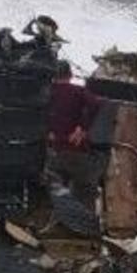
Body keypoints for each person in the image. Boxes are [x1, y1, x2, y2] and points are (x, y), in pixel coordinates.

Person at [47, 60, 103, 211]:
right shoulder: (77, 91)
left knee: (54, 192)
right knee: (84, 191)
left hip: (50, 151)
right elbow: (96, 103)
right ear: (70, 75)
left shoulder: (46, 91)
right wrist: (82, 128)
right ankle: (85, 226)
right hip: (74, 150)